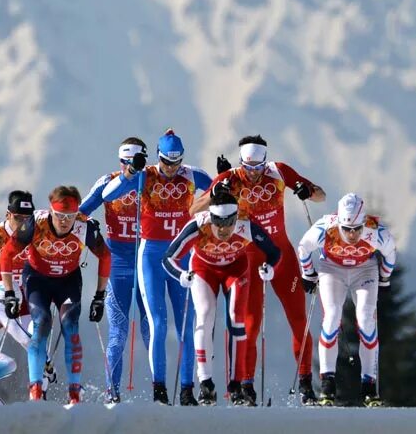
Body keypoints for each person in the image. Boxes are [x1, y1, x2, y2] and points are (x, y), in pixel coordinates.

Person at [191, 135, 325, 404]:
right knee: (250, 325)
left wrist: (306, 190)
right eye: (248, 169)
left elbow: (321, 196)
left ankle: (306, 383)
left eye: (258, 169)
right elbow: (193, 209)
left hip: (282, 255)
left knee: (299, 320)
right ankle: (246, 385)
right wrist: (215, 194)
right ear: (241, 163)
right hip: (250, 257)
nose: (253, 175)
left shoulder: (278, 171)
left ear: (266, 162)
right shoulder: (230, 177)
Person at [99, 129, 212, 405]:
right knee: (158, 324)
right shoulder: (146, 174)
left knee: (187, 325)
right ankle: (159, 390)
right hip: (150, 256)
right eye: (166, 162)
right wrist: (128, 175)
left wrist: (218, 186)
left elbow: (223, 191)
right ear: (158, 157)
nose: (171, 169)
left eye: (176, 163)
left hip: (182, 255)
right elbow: (106, 194)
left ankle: (187, 390)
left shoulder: (191, 174)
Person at [163, 186, 281, 406]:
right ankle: (205, 383)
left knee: (237, 320)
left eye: (229, 222)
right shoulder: (199, 226)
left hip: (236, 270)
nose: (224, 229)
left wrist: (269, 267)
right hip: (203, 269)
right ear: (211, 216)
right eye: (218, 222)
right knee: (205, 315)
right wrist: (181, 275)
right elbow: (168, 257)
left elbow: (274, 252)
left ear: (237, 217)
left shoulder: (246, 226)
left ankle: (236, 387)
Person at [0, 185, 110, 404]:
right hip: (38, 279)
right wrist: (10, 292)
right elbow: (6, 254)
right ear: (51, 211)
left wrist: (99, 296)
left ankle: (74, 393)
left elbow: (106, 257)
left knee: (70, 328)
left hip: (68, 280)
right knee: (41, 325)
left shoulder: (83, 227)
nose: (64, 221)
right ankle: (36, 390)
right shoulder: (35, 223)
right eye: (59, 215)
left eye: (69, 216)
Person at [297, 193, 396, 407]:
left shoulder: (374, 231)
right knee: (332, 317)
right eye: (347, 229)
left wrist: (385, 278)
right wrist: (308, 274)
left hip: (364, 269)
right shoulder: (326, 227)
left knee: (366, 320)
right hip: (332, 269)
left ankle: (369, 386)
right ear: (339, 222)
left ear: (363, 223)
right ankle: (327, 384)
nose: (352, 235)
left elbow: (390, 252)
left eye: (357, 229)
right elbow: (303, 247)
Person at [79, 137, 151, 403]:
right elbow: (79, 212)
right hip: (118, 262)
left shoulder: (152, 180)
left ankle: (161, 391)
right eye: (123, 161)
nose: (127, 167)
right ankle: (112, 393)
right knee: (118, 333)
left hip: (146, 262)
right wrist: (90, 230)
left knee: (150, 330)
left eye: (132, 162)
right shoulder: (108, 181)